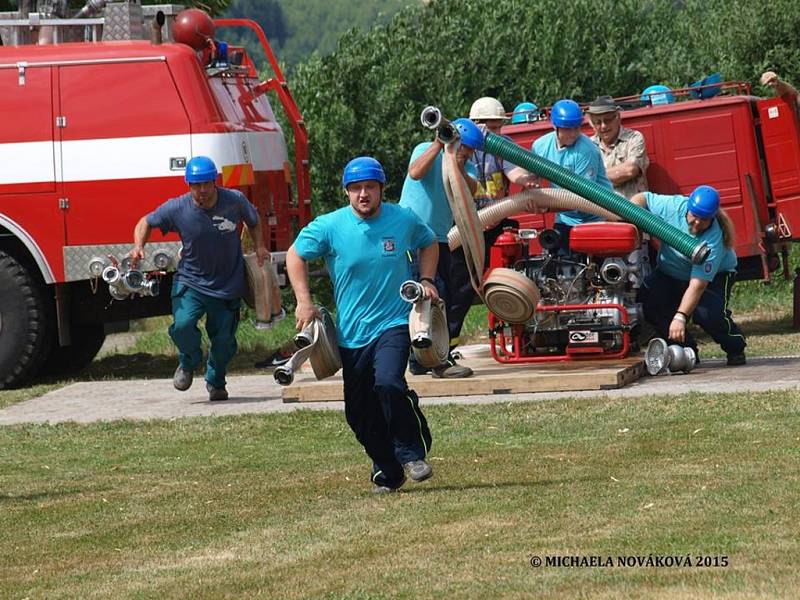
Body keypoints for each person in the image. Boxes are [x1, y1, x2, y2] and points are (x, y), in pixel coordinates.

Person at [286, 156, 439, 494]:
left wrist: (426, 278)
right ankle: (388, 471)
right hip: (352, 334)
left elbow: (428, 242)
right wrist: (303, 300)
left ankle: (411, 454)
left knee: (387, 382)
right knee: (358, 414)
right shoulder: (330, 226)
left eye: (370, 186)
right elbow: (295, 255)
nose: (363, 194)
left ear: (381, 189)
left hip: (394, 322)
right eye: (356, 188)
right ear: (346, 192)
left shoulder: (402, 219)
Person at [130, 156, 268, 401]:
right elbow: (146, 221)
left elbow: (254, 221)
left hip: (227, 284)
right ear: (188, 185)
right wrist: (139, 246)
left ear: (215, 182)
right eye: (196, 185)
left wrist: (259, 247)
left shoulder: (234, 201)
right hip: (191, 282)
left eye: (206, 183)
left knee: (224, 341)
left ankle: (216, 381)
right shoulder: (178, 208)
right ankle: (189, 361)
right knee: (182, 326)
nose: (202, 190)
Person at [447, 97, 539, 353]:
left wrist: (527, 182)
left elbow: (514, 173)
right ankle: (448, 345)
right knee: (461, 287)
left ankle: (520, 339)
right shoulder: (458, 149)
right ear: (475, 124)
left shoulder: (504, 147)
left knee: (513, 278)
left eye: (499, 127)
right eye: (491, 126)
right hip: (464, 226)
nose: (495, 133)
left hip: (496, 223)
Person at [399, 118, 481, 378]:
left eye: (469, 152)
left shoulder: (466, 167)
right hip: (414, 235)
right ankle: (436, 361)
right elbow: (415, 172)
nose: (467, 154)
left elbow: (472, 190)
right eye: (465, 149)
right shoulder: (426, 149)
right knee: (429, 295)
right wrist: (439, 143)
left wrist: (459, 167)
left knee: (443, 296)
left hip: (441, 239)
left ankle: (422, 359)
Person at [631, 185, 747, 365]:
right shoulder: (673, 205)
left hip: (714, 277)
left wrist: (680, 317)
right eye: (694, 216)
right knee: (650, 305)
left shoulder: (714, 238)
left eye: (704, 219)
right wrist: (633, 219)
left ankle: (735, 346)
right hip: (670, 271)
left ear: (713, 217)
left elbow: (697, 285)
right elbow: (642, 198)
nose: (697, 223)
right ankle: (687, 352)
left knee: (708, 315)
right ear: (688, 207)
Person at [532, 98, 613, 251]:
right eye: (567, 129)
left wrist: (546, 207)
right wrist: (529, 188)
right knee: (556, 263)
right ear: (555, 126)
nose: (573, 134)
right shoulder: (540, 146)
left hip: (595, 218)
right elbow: (532, 178)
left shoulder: (586, 150)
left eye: (576, 128)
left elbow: (581, 197)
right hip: (565, 219)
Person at [587, 95, 649, 200]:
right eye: (597, 122)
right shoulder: (588, 145)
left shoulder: (634, 138)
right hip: (600, 213)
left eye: (607, 120)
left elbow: (629, 170)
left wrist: (593, 178)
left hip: (633, 210)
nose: (603, 126)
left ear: (618, 117)